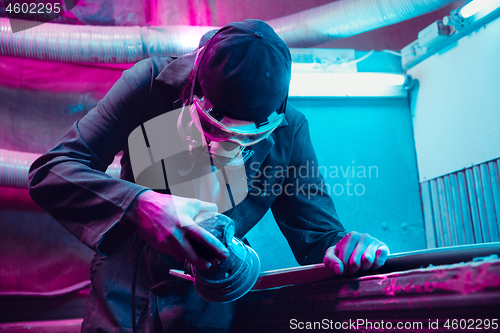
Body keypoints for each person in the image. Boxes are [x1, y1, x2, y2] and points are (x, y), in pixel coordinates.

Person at [29, 19, 389, 332]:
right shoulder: (151, 84)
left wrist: (347, 247)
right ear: (195, 89)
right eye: (215, 129)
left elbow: (319, 236)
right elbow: (52, 170)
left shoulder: (290, 129)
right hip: (127, 284)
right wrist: (140, 204)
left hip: (214, 291)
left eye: (247, 140)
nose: (227, 151)